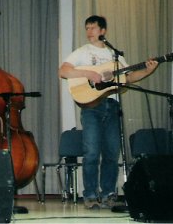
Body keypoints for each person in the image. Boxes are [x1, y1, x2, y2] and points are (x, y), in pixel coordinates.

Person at [59, 15, 158, 209]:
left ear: (103, 31)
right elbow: (64, 71)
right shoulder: (83, 52)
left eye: (93, 28)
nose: (89, 32)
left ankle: (108, 194)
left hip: (112, 107)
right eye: (87, 28)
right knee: (92, 152)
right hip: (91, 108)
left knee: (112, 153)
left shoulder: (115, 56)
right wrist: (88, 73)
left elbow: (128, 78)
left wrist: (148, 71)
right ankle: (89, 195)